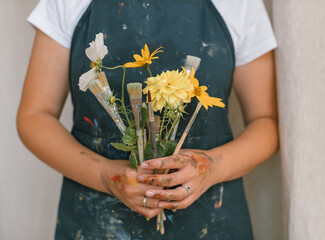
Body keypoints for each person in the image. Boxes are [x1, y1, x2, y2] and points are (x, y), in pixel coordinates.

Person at [17, 0, 279, 239]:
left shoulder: (239, 5)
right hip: (95, 222)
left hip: (213, 222)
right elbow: (34, 116)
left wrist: (210, 168)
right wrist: (106, 176)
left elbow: (266, 121)